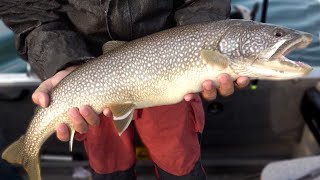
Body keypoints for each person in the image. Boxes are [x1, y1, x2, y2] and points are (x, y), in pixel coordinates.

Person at [0, 0, 249, 179]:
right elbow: (25, 7)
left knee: (178, 159)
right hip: (91, 75)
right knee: (108, 164)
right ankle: (27, 149)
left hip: (170, 69)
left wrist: (197, 41)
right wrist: (62, 60)